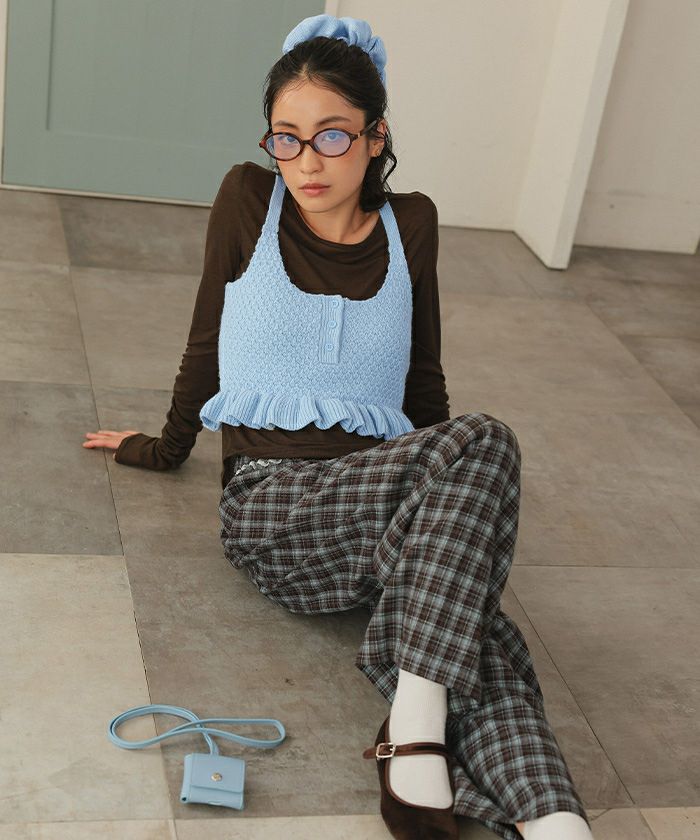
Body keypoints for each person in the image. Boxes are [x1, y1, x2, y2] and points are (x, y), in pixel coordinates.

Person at [83, 14, 595, 840]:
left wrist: (448, 504)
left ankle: (555, 823)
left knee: (475, 630)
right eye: (286, 139)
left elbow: (423, 378)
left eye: (331, 135)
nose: (307, 162)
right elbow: (206, 341)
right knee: (487, 444)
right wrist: (163, 447)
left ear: (375, 135)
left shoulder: (411, 224)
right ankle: (415, 733)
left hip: (378, 505)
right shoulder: (248, 201)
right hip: (274, 510)